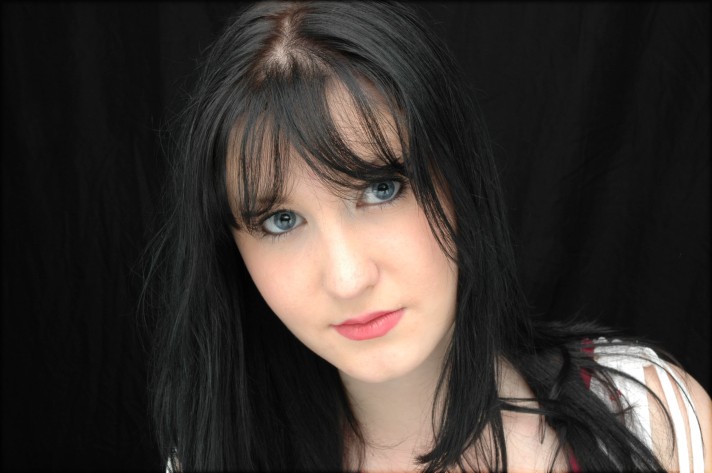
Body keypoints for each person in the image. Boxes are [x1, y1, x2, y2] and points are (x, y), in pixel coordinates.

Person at [143, 1, 711, 471]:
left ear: (461, 181)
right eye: (281, 221)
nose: (347, 278)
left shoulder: (648, 418)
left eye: (381, 189)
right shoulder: (211, 457)